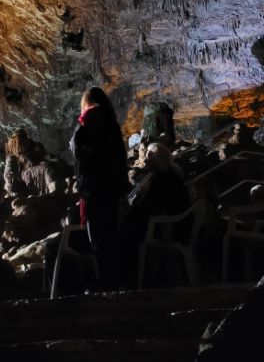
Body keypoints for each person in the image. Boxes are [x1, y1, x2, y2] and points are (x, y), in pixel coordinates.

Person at [69, 86, 129, 290]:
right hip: (112, 188)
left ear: (87, 103)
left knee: (98, 238)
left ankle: (104, 282)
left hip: (95, 189)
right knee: (110, 235)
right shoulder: (111, 123)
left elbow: (81, 153)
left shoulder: (90, 119)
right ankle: (114, 280)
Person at [122, 143, 191, 285]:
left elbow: (149, 207)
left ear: (159, 159)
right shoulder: (169, 176)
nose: (145, 159)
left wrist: (128, 211)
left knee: (127, 236)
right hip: (174, 224)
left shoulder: (163, 179)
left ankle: (137, 281)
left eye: (149, 155)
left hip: (169, 228)